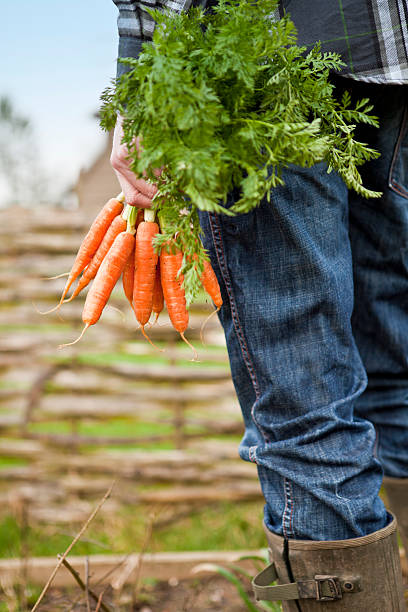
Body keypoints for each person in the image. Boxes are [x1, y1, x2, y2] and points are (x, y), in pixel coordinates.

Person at [110, 1, 408, 609]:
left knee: (305, 411)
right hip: (394, 56)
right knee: (395, 372)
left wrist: (139, 80)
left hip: (253, 75)